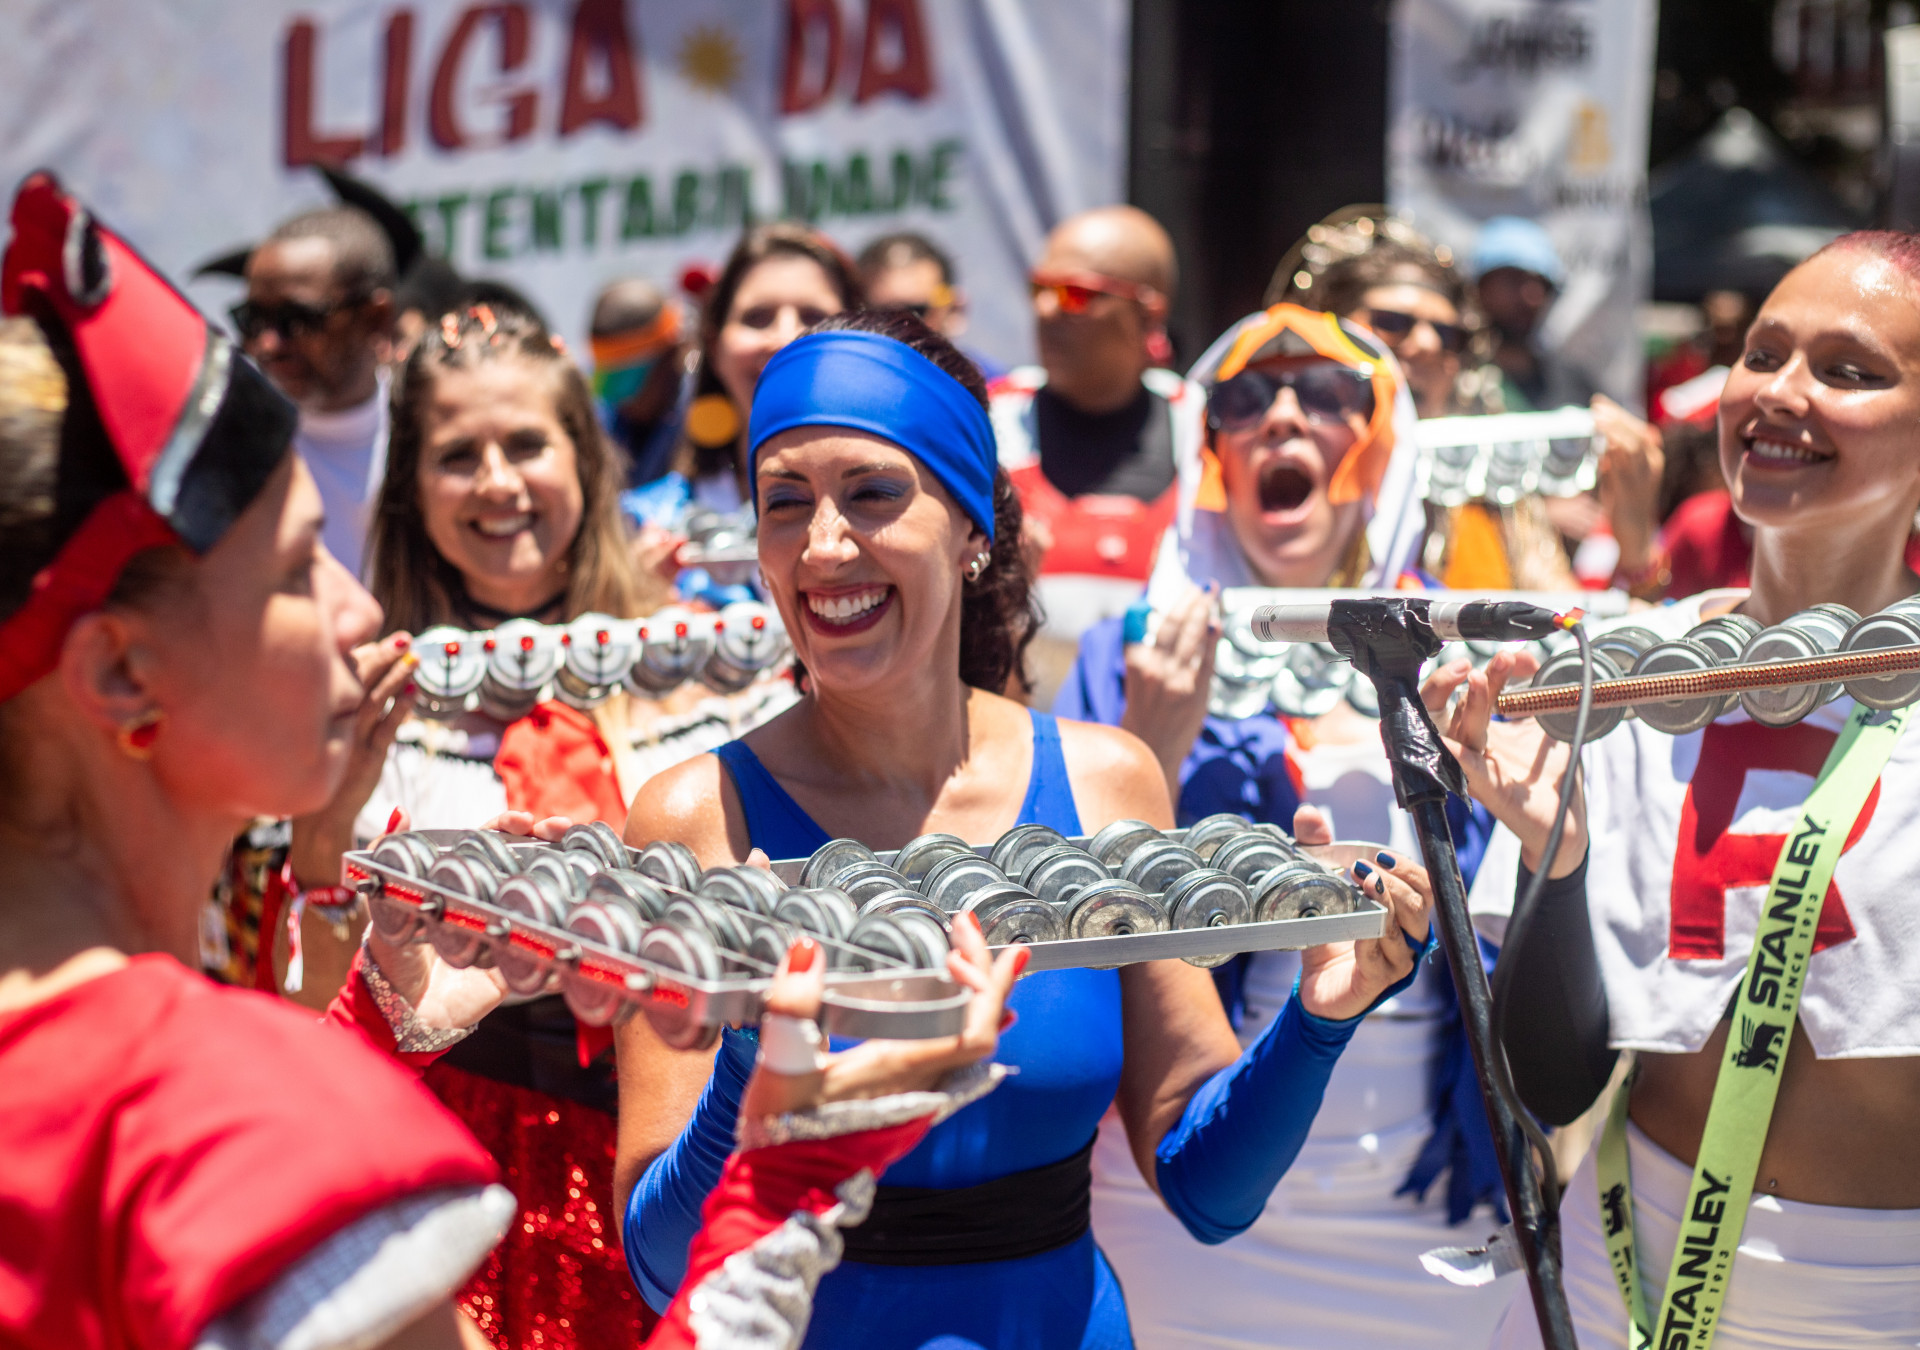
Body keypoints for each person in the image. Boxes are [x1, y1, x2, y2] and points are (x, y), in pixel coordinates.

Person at [614, 307, 1437, 1349]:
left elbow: (1205, 1188)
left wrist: (1322, 1019)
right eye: (785, 504)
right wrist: (752, 1047)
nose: (825, 545)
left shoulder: (1105, 781)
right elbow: (655, 1265)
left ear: (972, 532)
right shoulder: (694, 820)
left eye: (872, 494)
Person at [0, 169, 507, 1350]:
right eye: (296, 571)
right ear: (122, 674)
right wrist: (781, 1189)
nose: (361, 615)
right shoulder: (235, 1133)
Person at [1437, 231, 1920, 1349]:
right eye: (1763, 354)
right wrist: (1558, 858)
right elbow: (1551, 1081)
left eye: (1848, 371)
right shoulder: (1619, 674)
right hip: (1624, 1279)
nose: (1780, 394)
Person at [1057, 303, 1512, 1349]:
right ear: (1211, 449)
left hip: (1427, 1203)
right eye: (1246, 400)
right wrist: (1148, 755)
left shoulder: (1454, 647)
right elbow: (1057, 930)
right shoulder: (1125, 653)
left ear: (1382, 442)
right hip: (1184, 1193)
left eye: (1330, 396)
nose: (1283, 419)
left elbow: (1528, 935)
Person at [287, 301, 741, 1349]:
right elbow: (305, 1020)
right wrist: (327, 853)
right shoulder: (364, 705)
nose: (497, 480)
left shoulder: (707, 678)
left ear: (584, 457)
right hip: (438, 1210)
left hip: (679, 1181)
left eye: (526, 443)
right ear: (410, 491)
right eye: (457, 455)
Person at [992, 206, 1206, 679]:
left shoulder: (1206, 428)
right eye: (1039, 290)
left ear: (1149, 312)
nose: (1046, 310)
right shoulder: (988, 420)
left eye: (1075, 294)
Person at [237, 205, 398, 578]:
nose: (267, 344)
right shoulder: (231, 450)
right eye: (251, 320)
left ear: (376, 319)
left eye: (297, 320)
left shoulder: (432, 435)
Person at [1469, 216, 1597, 415]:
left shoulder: (1571, 385)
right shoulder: (1453, 378)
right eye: (1513, 280)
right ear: (1479, 288)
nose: (1532, 298)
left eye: (1543, 285)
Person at [856, 230, 1003, 379]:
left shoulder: (1001, 393)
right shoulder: (840, 386)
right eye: (880, 314)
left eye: (915, 311)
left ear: (954, 311)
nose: (897, 327)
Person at [590, 277, 691, 487]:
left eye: (630, 382)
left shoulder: (707, 412)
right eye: (612, 383)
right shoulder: (604, 414)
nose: (621, 400)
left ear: (672, 354)